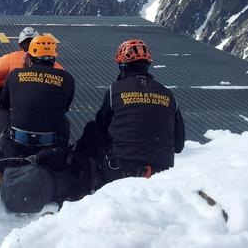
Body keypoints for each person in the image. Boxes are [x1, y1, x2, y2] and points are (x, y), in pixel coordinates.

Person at [75, 39, 185, 189]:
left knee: (91, 129)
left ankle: (80, 183)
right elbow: (178, 145)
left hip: (120, 168)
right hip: (161, 173)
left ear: (123, 67)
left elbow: (101, 123)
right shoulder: (168, 94)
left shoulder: (116, 89)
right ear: (147, 65)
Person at [0, 35, 75, 190]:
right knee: (64, 119)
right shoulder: (67, 79)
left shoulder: (15, 75)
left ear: (29, 57)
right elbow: (65, 108)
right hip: (51, 149)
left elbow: (4, 103)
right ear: (54, 59)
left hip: (15, 146)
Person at [0, 26, 65, 110]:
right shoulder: (59, 69)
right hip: (46, 110)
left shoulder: (10, 60)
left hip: (17, 110)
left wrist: (5, 83)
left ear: (20, 45)